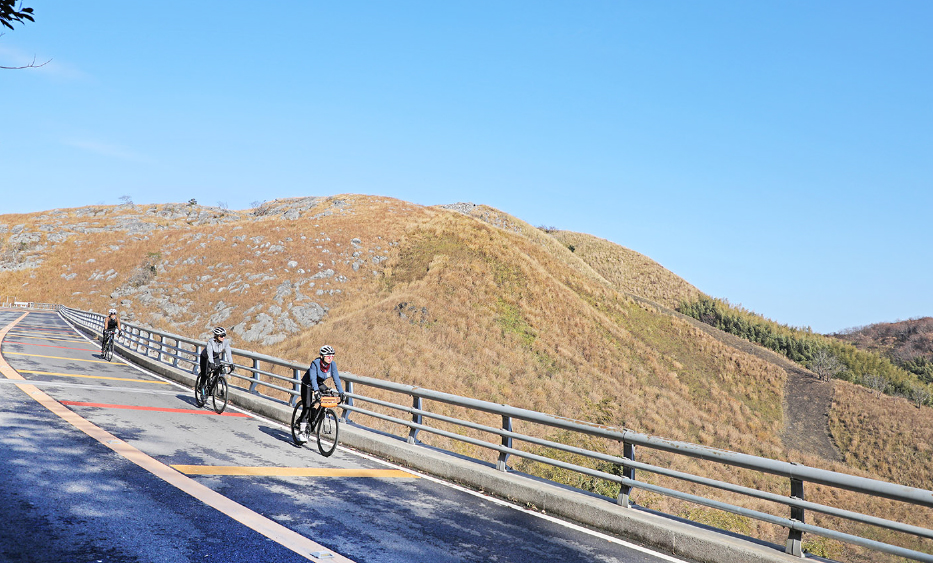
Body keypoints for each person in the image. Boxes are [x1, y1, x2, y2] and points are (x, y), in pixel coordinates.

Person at [298, 345, 345, 437]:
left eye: (332, 356)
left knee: (328, 395)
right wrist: (316, 391)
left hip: (319, 383)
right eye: (328, 356)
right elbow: (313, 378)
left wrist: (341, 392)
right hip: (308, 384)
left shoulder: (332, 365)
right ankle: (302, 430)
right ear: (322, 356)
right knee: (307, 407)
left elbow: (336, 379)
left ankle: (315, 415)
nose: (330, 358)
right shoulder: (315, 363)